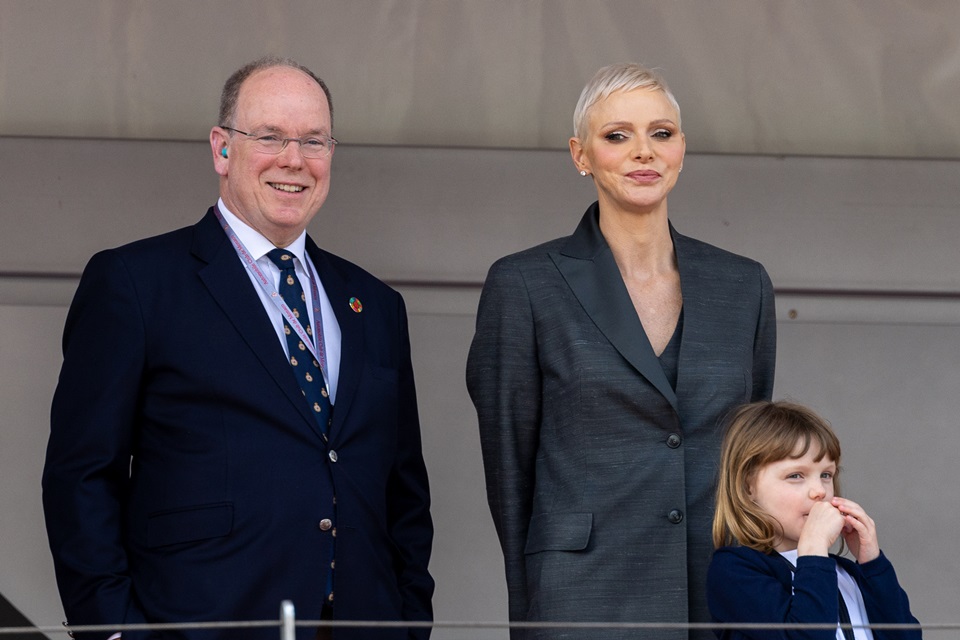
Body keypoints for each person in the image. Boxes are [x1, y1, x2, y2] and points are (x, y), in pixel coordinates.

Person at [42, 56, 434, 640]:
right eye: (270, 137)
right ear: (222, 150)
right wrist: (113, 631)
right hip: (199, 624)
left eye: (314, 140)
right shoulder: (135, 282)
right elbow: (80, 477)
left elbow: (404, 490)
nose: (294, 160)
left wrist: (410, 622)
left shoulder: (375, 305)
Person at [465, 63, 776, 640]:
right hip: (582, 599)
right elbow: (509, 470)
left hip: (722, 592)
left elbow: (752, 460)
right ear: (580, 155)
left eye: (661, 133)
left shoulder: (744, 285)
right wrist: (530, 610)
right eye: (617, 136)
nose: (644, 152)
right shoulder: (525, 284)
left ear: (682, 148)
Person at [708, 401, 920, 640]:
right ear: (747, 486)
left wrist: (873, 565)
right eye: (796, 475)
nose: (819, 490)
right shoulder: (734, 571)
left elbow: (907, 637)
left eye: (826, 475)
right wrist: (814, 553)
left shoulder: (846, 573)